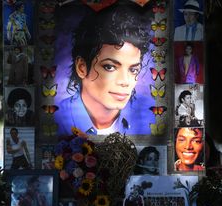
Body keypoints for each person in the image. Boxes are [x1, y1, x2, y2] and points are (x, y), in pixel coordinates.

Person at [54, 2, 154, 135]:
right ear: (81, 67)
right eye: (110, 67)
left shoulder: (151, 113)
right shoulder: (55, 118)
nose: (125, 81)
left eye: (133, 70)